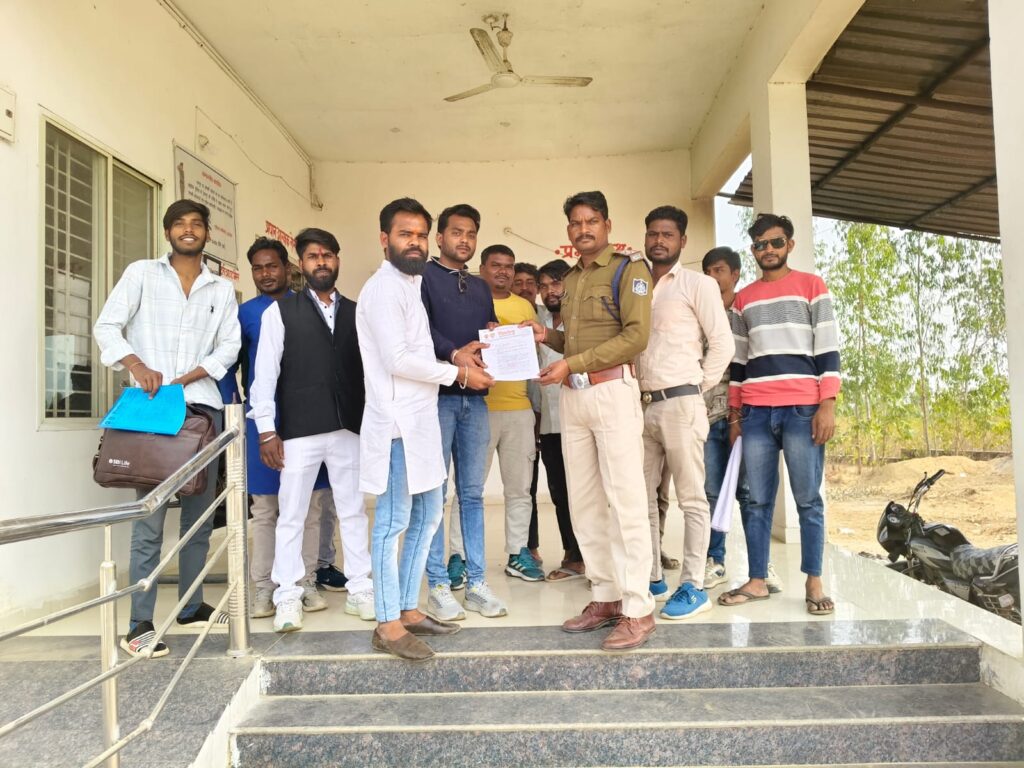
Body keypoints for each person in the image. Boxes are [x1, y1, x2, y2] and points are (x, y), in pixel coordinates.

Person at [94, 199, 241, 658]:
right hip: (154, 411)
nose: (188, 230)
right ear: (167, 232)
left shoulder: (222, 289)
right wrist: (137, 365)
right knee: (151, 517)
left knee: (199, 517)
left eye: (197, 224)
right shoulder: (142, 274)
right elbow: (107, 326)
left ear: (207, 233)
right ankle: (139, 623)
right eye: (180, 224)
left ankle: (190, 606)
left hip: (202, 411)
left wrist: (189, 376)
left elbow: (230, 345)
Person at [358, 197, 494, 660]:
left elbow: (420, 349)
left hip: (422, 422)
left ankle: (408, 608)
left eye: (419, 234)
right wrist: (458, 373)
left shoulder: (411, 285)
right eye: (405, 234)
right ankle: (386, 624)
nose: (414, 242)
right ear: (385, 239)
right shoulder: (382, 289)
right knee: (393, 521)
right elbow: (397, 359)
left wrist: (459, 356)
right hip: (397, 422)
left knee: (429, 513)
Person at [525, 190, 655, 652]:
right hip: (574, 397)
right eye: (576, 223)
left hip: (612, 392)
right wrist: (547, 336)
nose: (583, 229)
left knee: (626, 502)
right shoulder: (573, 278)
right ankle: (606, 595)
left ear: (607, 225)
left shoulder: (628, 269)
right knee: (583, 503)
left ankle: (638, 608)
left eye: (591, 221)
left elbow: (636, 337)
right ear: (569, 231)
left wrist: (572, 363)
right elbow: (575, 343)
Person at [249, 227, 372, 633]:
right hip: (299, 430)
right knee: (292, 514)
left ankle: (360, 588)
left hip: (348, 428)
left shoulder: (357, 312)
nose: (322, 262)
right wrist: (267, 431)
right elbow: (264, 376)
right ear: (300, 264)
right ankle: (287, 595)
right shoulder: (280, 312)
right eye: (313, 256)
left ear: (337, 260)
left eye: (328, 255)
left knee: (352, 510)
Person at [721, 213, 840, 614]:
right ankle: (757, 580)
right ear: (753, 250)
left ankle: (814, 581)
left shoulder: (812, 286)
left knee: (808, 499)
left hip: (803, 409)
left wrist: (827, 403)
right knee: (756, 500)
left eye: (775, 242)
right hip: (755, 412)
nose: (768, 250)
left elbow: (827, 347)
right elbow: (738, 362)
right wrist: (735, 414)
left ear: (789, 244)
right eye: (760, 245)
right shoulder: (743, 299)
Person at [217, 237, 339, 620]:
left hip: (310, 420)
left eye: (272, 266)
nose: (265, 274)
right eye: (258, 268)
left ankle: (305, 582)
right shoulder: (245, 315)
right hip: (262, 424)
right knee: (266, 508)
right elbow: (227, 367)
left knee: (310, 506)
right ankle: (263, 588)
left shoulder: (311, 307)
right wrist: (236, 412)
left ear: (288, 268)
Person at [636, 207, 734, 620]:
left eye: (668, 234)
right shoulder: (637, 285)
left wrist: (696, 387)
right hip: (640, 405)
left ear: (682, 241)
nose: (659, 240)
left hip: (681, 403)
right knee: (643, 498)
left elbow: (723, 344)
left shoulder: (698, 284)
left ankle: (693, 585)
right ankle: (653, 578)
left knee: (691, 498)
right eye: (653, 233)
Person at [420, 204, 508, 621]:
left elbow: (487, 332)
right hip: (436, 398)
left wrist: (500, 343)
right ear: (440, 237)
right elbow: (421, 332)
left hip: (475, 400)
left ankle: (476, 584)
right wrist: (455, 356)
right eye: (456, 232)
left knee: (472, 494)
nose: (464, 240)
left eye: (471, 233)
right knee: (434, 494)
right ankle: (438, 585)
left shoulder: (479, 286)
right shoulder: (422, 278)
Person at [700, 247, 781, 594]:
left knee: (750, 494)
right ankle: (714, 560)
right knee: (711, 493)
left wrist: (743, 415)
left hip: (747, 416)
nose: (712, 277)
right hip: (706, 416)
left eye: (719, 270)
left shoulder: (748, 311)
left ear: (735, 274)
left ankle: (761, 566)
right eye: (707, 271)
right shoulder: (698, 315)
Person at [479, 245, 542, 581]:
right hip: (479, 409)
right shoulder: (471, 300)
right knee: (470, 490)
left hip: (519, 409)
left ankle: (518, 552)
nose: (503, 271)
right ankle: (460, 556)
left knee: (520, 489)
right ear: (482, 269)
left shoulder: (524, 306)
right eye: (496, 265)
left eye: (508, 266)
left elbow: (533, 352)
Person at [536, 259, 584, 581]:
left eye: (555, 283)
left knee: (587, 491)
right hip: (550, 423)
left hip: (580, 416)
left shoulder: (580, 319)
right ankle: (573, 556)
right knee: (559, 492)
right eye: (543, 286)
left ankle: (596, 559)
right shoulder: (538, 322)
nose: (549, 291)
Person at [513, 261, 542, 560]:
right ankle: (529, 547)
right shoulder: (506, 321)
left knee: (564, 489)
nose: (525, 288)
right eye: (518, 282)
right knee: (526, 487)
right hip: (523, 413)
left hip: (553, 416)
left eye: (530, 282)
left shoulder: (546, 318)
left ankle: (575, 553)